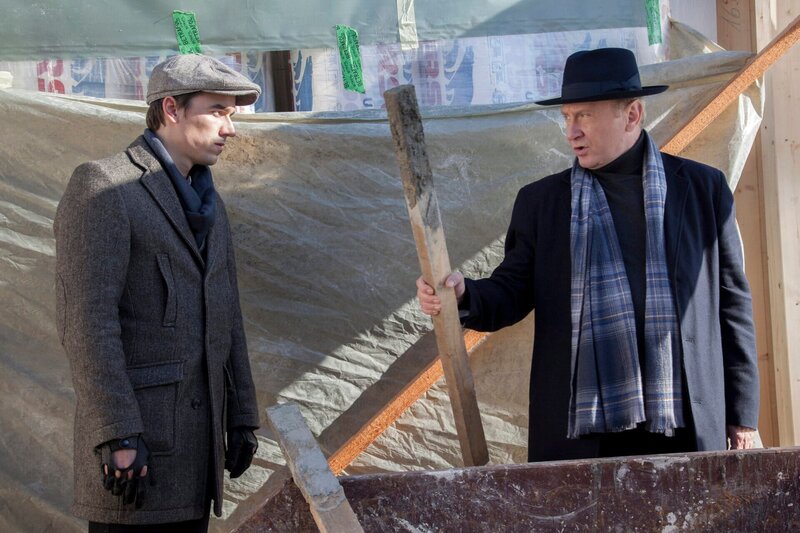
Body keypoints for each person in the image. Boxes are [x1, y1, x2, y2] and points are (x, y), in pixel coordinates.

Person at [417, 48, 759, 462]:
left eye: (584, 116)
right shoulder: (543, 203)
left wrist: (742, 415)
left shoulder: (703, 189)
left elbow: (732, 304)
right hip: (586, 431)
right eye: (566, 117)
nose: (571, 132)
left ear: (632, 115)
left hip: (685, 418)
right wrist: (463, 295)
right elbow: (510, 292)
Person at [54, 54, 261, 531]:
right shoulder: (105, 186)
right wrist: (118, 433)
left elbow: (226, 312)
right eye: (217, 111)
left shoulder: (209, 203)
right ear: (171, 108)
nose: (229, 128)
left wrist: (241, 415)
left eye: (231, 114)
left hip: (197, 448)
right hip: (135, 451)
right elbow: (86, 322)